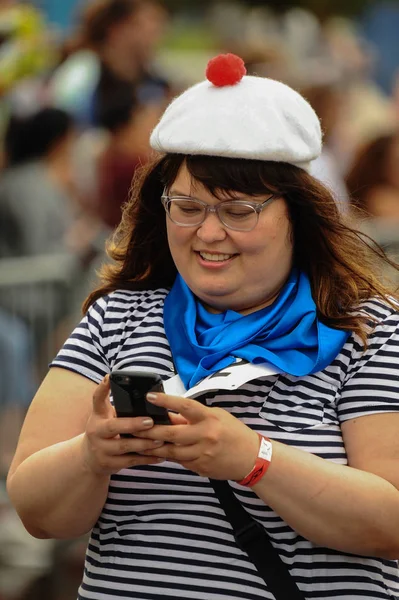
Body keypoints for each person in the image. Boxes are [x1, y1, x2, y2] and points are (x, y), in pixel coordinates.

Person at [6, 53, 399, 600]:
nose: (207, 233)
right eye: (186, 207)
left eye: (238, 211)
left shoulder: (370, 331)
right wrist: (90, 456)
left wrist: (253, 459)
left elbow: (392, 525)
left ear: (300, 214)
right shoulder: (118, 316)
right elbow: (36, 511)